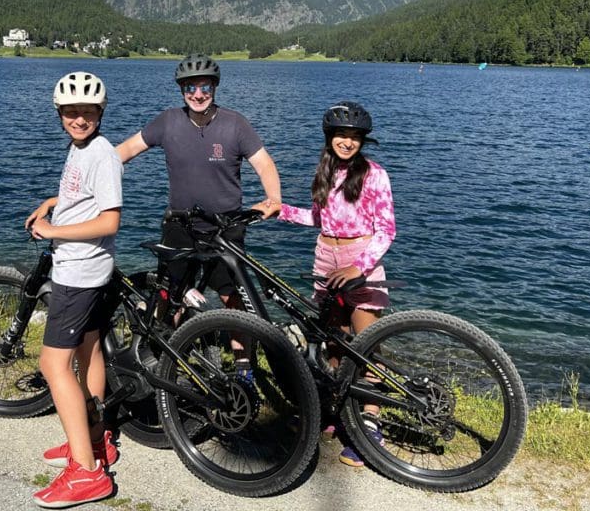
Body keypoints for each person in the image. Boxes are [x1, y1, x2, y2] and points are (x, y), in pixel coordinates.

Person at [260, 100, 396, 469]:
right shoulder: (325, 172)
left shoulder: (374, 175)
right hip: (325, 257)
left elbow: (387, 230)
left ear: (362, 141)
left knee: (366, 345)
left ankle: (370, 420)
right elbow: (318, 219)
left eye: (353, 137)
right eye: (341, 135)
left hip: (359, 260)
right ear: (329, 138)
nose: (347, 143)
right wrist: (280, 210)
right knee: (334, 342)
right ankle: (338, 410)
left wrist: (360, 267)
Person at [117, 54, 282, 321]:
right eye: (189, 88)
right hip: (180, 224)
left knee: (232, 296)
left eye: (205, 87)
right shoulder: (168, 121)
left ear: (214, 88)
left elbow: (264, 164)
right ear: (182, 90)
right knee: (171, 291)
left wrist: (274, 198)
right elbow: (125, 150)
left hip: (225, 226)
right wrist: (91, 175)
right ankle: (166, 347)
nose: (198, 94)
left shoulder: (235, 124)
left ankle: (243, 361)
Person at [24, 71, 122, 508]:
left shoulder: (102, 156)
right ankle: (94, 441)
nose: (78, 119)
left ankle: (86, 472)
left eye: (86, 112)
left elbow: (108, 221)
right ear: (60, 114)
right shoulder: (81, 149)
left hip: (79, 273)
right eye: (70, 112)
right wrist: (53, 205)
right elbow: (82, 199)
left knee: (53, 365)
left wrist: (52, 231)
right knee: (89, 352)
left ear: (100, 113)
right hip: (92, 271)